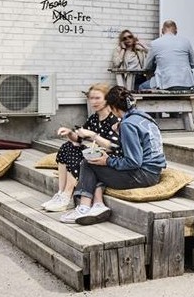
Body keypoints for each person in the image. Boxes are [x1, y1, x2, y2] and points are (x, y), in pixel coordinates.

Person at [59, 86, 166, 226]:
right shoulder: (143, 117)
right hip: (154, 172)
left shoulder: (128, 124)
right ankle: (98, 205)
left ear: (113, 107)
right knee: (97, 164)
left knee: (88, 163)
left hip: (142, 176)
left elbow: (134, 162)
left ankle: (83, 207)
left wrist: (108, 161)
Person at [42, 83, 122, 213]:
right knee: (67, 146)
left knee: (77, 156)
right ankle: (61, 193)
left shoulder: (114, 119)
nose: (94, 101)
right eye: (91, 98)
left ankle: (67, 196)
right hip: (96, 154)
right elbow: (78, 138)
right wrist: (69, 133)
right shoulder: (94, 118)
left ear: (107, 99)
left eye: (97, 98)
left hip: (110, 159)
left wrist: (93, 135)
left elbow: (114, 146)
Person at [138, 20, 194, 92]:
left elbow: (147, 67)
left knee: (142, 87)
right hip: (186, 84)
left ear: (162, 31)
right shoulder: (186, 42)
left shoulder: (155, 43)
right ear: (176, 31)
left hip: (165, 84)